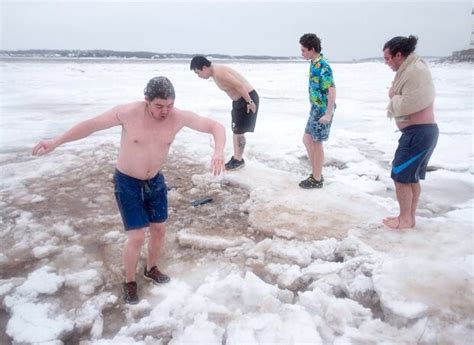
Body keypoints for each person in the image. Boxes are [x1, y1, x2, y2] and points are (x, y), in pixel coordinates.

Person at [32, 76, 226, 304]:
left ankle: (151, 267)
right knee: (136, 236)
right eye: (159, 106)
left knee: (159, 229)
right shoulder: (127, 113)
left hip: (155, 181)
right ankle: (130, 281)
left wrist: (219, 151)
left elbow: (216, 126)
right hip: (127, 182)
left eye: (169, 106)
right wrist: (56, 141)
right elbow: (90, 126)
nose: (165, 111)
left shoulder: (178, 117)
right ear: (147, 100)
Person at [382, 35, 439, 229]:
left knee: (400, 177)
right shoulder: (412, 70)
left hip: (419, 134)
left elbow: (408, 104)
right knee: (409, 177)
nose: (386, 63)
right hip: (421, 133)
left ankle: (405, 219)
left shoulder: (415, 72)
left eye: (388, 58)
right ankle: (409, 217)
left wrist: (392, 95)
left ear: (399, 55)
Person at [190, 56, 259, 170]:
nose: (199, 76)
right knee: (236, 130)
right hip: (240, 100)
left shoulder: (219, 72)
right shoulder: (216, 72)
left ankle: (238, 160)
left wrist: (249, 102)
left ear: (204, 67)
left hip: (246, 99)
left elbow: (239, 85)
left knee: (239, 131)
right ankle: (237, 158)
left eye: (198, 73)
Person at [298, 33, 336, 189]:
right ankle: (316, 172)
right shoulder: (314, 63)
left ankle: (317, 178)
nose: (302, 53)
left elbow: (331, 90)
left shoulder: (323, 66)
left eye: (303, 50)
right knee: (307, 140)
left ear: (312, 49)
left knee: (316, 142)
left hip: (322, 109)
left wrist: (328, 113)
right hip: (315, 108)